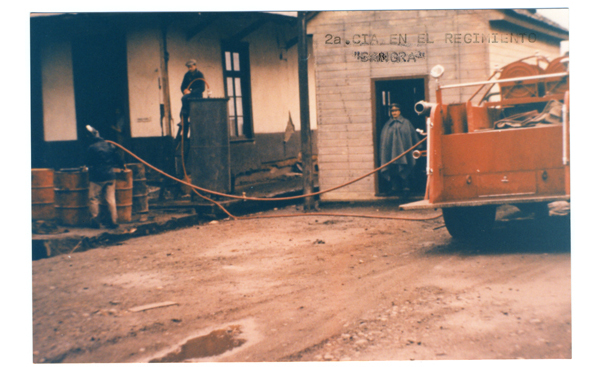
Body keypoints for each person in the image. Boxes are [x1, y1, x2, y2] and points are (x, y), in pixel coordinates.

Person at [85, 125, 126, 229]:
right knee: (110, 199)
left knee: (93, 198)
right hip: (110, 175)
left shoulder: (91, 148)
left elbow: (88, 162)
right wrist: (122, 165)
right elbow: (117, 157)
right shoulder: (108, 145)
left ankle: (95, 222)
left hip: (97, 177)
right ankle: (113, 221)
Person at [379, 103, 422, 197]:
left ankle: (406, 188)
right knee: (393, 168)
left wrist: (418, 146)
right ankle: (395, 188)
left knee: (404, 166)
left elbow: (412, 135)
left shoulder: (406, 123)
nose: (394, 113)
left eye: (396, 110)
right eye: (392, 111)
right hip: (391, 153)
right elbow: (384, 140)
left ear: (400, 111)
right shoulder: (387, 125)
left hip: (404, 152)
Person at [179, 59, 206, 139]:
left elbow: (202, 88)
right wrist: (184, 90)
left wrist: (191, 92)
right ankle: (184, 133)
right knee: (182, 114)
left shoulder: (200, 74)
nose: (189, 69)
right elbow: (182, 86)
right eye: (188, 67)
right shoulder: (187, 75)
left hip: (197, 97)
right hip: (188, 97)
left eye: (191, 67)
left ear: (195, 66)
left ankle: (194, 135)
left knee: (184, 98)